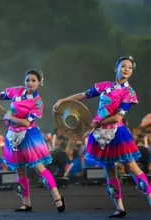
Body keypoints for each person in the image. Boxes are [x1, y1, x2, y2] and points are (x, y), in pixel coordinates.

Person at [53, 56, 151, 218]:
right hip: (100, 134)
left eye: (129, 68)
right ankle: (119, 208)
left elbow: (118, 118)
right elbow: (84, 95)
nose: (126, 69)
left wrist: (95, 122)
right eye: (123, 66)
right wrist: (64, 100)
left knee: (132, 167)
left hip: (117, 133)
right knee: (109, 171)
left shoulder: (129, 92)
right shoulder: (105, 86)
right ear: (116, 68)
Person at [0, 70, 65, 213]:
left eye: (33, 80)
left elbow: (26, 123)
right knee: (20, 172)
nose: (30, 83)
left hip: (29, 137)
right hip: (12, 135)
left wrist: (9, 117)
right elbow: (0, 96)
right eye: (27, 80)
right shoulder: (16, 91)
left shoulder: (37, 102)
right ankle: (26, 203)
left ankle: (57, 198)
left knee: (39, 168)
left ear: (39, 82)